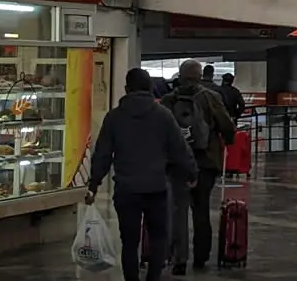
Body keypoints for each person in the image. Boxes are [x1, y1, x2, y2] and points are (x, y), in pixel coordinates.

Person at [86, 68, 197, 281]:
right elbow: (179, 148)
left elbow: (103, 154)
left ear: (126, 89)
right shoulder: (163, 115)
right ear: (149, 88)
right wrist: (191, 172)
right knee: (158, 238)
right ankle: (153, 278)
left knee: (129, 241)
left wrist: (94, 183)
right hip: (156, 187)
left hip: (126, 189)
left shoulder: (115, 117)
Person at [161, 60, 236, 274]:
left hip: (176, 163)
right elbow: (226, 126)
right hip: (205, 161)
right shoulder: (211, 98)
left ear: (181, 76)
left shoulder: (168, 100)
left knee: (178, 210)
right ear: (201, 75)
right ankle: (201, 257)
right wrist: (227, 140)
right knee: (201, 209)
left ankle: (179, 260)